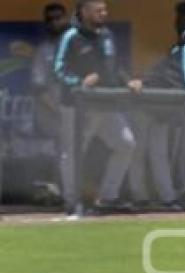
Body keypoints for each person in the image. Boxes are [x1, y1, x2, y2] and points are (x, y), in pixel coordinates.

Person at [54, 0, 143, 215]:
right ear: (84, 12)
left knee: (126, 144)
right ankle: (71, 201)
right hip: (78, 107)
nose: (103, 13)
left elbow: (115, 65)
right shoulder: (71, 36)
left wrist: (128, 80)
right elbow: (58, 68)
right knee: (73, 153)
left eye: (104, 10)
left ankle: (108, 196)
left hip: (107, 104)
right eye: (98, 10)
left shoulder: (106, 35)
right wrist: (79, 82)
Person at [128, 22, 185, 211]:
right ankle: (138, 195)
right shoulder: (184, 51)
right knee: (139, 151)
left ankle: (167, 197)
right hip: (145, 105)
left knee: (159, 154)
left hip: (164, 111)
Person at [31, 3, 69, 145]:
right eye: (50, 19)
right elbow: (39, 88)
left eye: (58, 18)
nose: (55, 22)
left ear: (65, 19)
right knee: (65, 154)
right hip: (54, 112)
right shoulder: (43, 51)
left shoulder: (77, 46)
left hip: (78, 110)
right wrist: (58, 109)